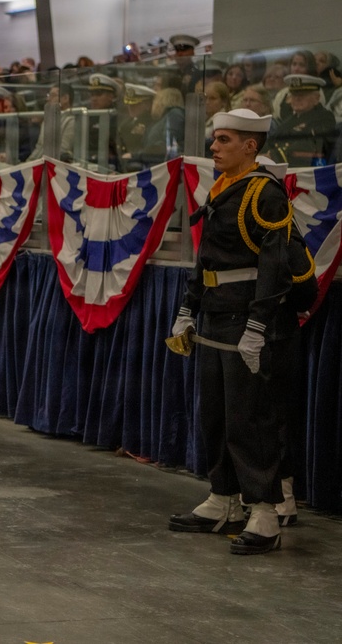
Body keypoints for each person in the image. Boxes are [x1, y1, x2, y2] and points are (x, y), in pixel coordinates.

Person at [168, 108, 316, 556]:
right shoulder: (222, 188)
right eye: (215, 139)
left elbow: (274, 265)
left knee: (250, 418)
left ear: (251, 146)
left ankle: (265, 510)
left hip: (248, 317)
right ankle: (223, 498)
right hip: (216, 313)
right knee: (215, 412)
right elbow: (207, 257)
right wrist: (188, 309)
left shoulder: (264, 193)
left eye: (225, 140)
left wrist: (257, 326)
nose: (214, 147)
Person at [266, 74, 336, 166]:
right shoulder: (289, 120)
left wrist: (274, 155)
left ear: (316, 98)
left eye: (303, 95)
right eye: (294, 94)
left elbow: (309, 148)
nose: (297, 98)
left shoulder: (324, 118)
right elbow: (271, 142)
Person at [117, 83, 156, 170]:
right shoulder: (127, 122)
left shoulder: (151, 123)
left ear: (147, 104)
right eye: (129, 104)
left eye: (135, 104)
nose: (130, 107)